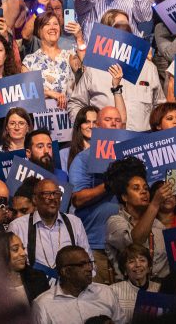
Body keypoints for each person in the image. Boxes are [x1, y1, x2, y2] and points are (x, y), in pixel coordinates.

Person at [68, 106, 125, 285]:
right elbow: (77, 199)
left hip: (129, 245)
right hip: (96, 244)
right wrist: (108, 185)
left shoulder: (131, 156)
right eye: (108, 120)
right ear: (97, 127)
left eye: (117, 120)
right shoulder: (83, 159)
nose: (114, 123)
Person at [9, 177, 88, 289]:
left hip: (72, 292)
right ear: (35, 199)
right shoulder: (18, 226)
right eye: (46, 194)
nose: (52, 198)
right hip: (34, 294)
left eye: (56, 194)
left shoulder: (74, 222)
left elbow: (88, 261)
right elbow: (11, 268)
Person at [30, 245, 123, 324]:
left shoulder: (106, 293)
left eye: (90, 263)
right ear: (66, 271)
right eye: (82, 265)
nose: (89, 268)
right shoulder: (43, 305)